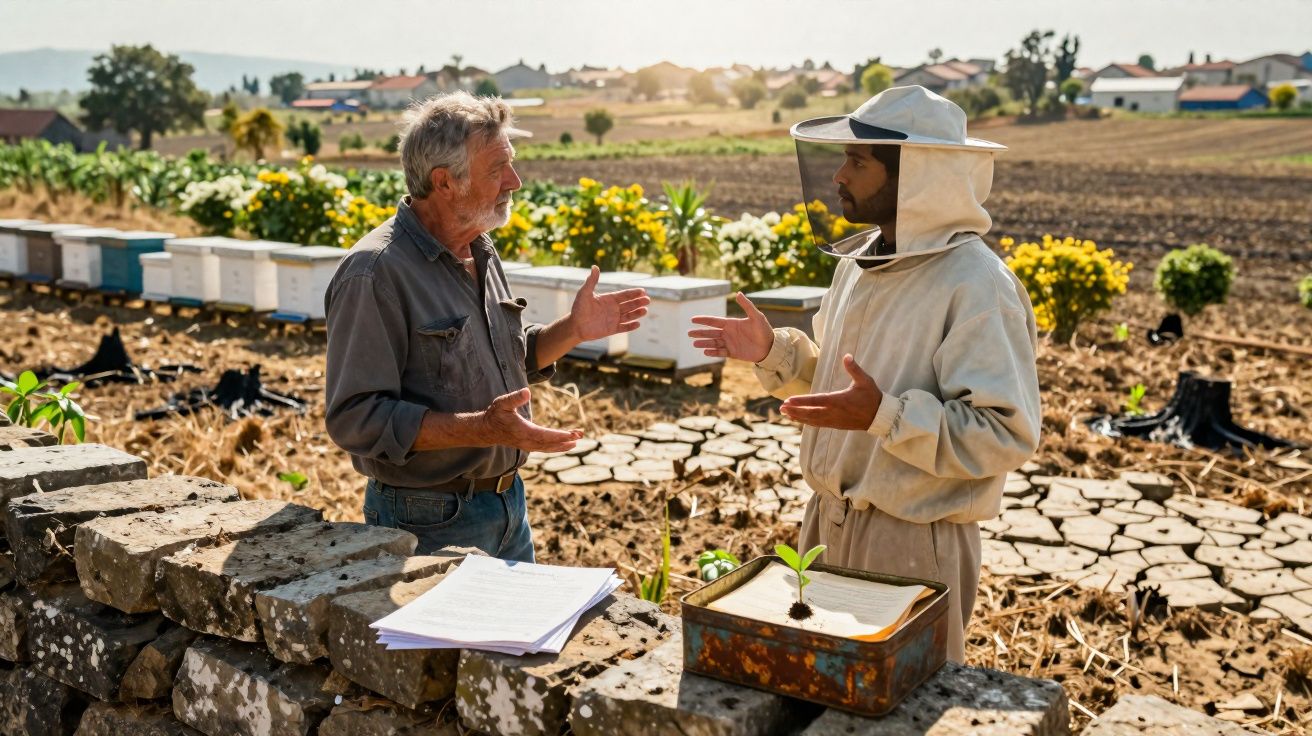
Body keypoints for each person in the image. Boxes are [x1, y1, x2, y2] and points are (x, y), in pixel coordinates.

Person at [688, 86, 1041, 661]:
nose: (838, 177)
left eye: (858, 161)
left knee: (899, 711)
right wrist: (774, 352)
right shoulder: (861, 264)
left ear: (917, 174)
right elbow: (843, 392)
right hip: (825, 527)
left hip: (912, 544)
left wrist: (887, 416)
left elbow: (1005, 432)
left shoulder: (976, 286)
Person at [324, 92, 649, 561]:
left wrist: (573, 329)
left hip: (508, 504)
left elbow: (503, 357)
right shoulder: (374, 273)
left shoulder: (479, 247)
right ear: (445, 183)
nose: (514, 182)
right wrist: (486, 428)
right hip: (428, 517)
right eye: (497, 169)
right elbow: (356, 420)